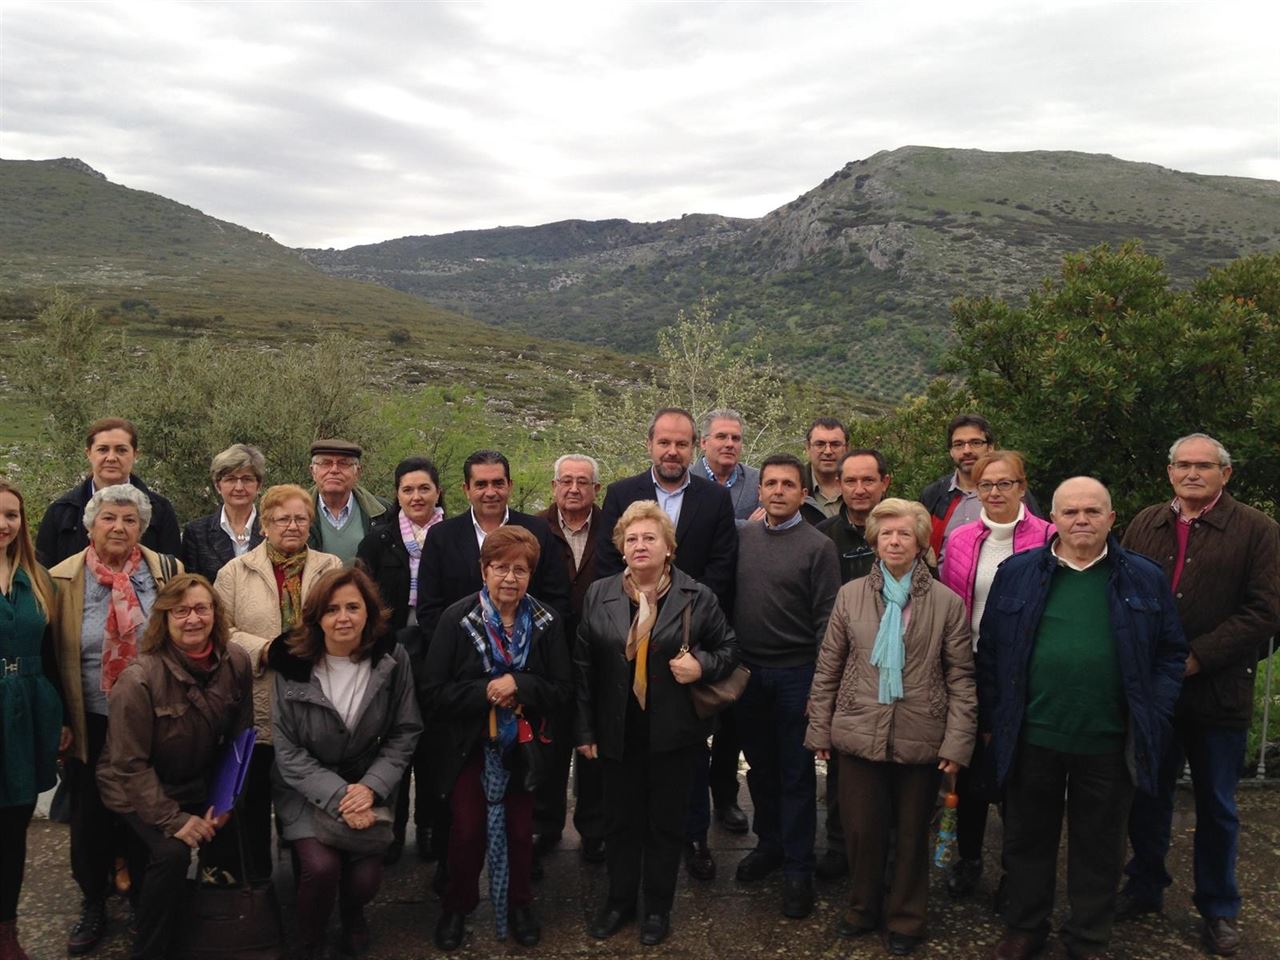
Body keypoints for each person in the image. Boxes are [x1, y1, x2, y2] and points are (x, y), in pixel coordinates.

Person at [978, 477, 1186, 960]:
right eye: (1070, 512)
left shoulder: (1143, 577)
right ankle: (1026, 927)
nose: (1081, 520)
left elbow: (1171, 653)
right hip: (1033, 733)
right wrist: (994, 717)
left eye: (1093, 511)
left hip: (1108, 737)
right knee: (1026, 839)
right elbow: (991, 652)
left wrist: (1154, 711)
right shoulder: (1018, 572)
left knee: (1100, 846)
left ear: (1111, 518)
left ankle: (1088, 937)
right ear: (1053, 519)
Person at [1118, 434, 1280, 957]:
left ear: (1224, 474)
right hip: (1154, 691)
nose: (1192, 473)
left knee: (1217, 804)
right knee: (1148, 794)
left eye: (1204, 466)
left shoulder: (1257, 529)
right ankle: (1145, 885)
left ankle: (1218, 907)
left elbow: (1266, 610)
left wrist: (1197, 656)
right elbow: (1122, 589)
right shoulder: (1146, 523)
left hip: (1218, 690)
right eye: (1183, 465)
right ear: (1169, 472)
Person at [805, 498, 976, 957]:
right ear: (875, 542)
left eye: (904, 534)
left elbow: (961, 677)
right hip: (859, 731)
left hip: (922, 733)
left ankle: (906, 918)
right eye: (886, 534)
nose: (894, 541)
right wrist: (819, 728)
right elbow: (829, 666)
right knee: (861, 832)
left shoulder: (946, 602)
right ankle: (862, 908)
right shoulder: (851, 595)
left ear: (920, 544)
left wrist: (958, 742)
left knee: (911, 834)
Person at [576, 501, 740, 947]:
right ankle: (619, 902)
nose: (640, 545)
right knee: (620, 823)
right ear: (621, 548)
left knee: (665, 825)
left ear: (669, 547)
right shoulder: (600, 593)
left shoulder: (696, 595)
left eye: (650, 537)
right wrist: (585, 731)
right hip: (617, 731)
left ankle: (657, 907)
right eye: (631, 539)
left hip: (674, 733)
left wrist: (701, 666)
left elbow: (729, 649)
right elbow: (584, 666)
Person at [595, 408, 741, 878]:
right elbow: (608, 563)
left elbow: (721, 566)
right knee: (632, 747)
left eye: (681, 443)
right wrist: (636, 615)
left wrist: (682, 615)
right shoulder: (622, 493)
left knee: (689, 748)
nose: (672, 451)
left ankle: (694, 836)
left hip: (686, 641)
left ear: (694, 447)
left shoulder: (714, 499)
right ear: (650, 444)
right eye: (664, 442)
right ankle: (629, 840)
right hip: (629, 637)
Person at [48, 484, 182, 955]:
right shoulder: (61, 579)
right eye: (109, 518)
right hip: (91, 714)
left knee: (146, 808)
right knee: (89, 815)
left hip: (152, 716)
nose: (119, 527)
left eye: (130, 520)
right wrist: (61, 718)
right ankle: (94, 899)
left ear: (142, 527)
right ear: (91, 525)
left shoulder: (167, 571)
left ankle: (146, 897)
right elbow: (49, 654)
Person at [422, 526, 571, 951]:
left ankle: (520, 904)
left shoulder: (546, 621)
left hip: (521, 747)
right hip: (468, 746)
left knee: (521, 833)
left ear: (531, 575)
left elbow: (562, 689)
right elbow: (433, 692)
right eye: (500, 567)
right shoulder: (457, 620)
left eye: (520, 570)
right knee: (467, 831)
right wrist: (486, 691)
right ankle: (457, 906)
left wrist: (520, 685)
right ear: (484, 570)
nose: (510, 577)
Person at [96, 574, 253, 960]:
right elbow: (128, 764)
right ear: (164, 619)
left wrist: (225, 802)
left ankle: (219, 930)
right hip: (135, 788)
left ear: (215, 613)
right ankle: (150, 946)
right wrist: (174, 820)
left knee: (233, 831)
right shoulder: (139, 679)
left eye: (201, 608)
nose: (193, 619)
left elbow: (239, 738)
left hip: (193, 780)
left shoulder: (236, 661)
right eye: (180, 611)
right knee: (172, 853)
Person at [269, 567, 422, 959]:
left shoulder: (391, 658)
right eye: (332, 609)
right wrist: (340, 795)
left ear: (368, 611)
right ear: (316, 616)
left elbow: (405, 730)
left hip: (367, 781)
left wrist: (370, 788)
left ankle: (353, 915)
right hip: (307, 787)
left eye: (353, 607)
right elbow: (288, 751)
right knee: (321, 868)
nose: (343, 618)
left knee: (366, 878)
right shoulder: (292, 663)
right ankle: (309, 940)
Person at [937, 450, 1052, 900]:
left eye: (1005, 483)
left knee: (1019, 775)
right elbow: (951, 602)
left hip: (1024, 672)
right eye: (986, 484)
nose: (995, 492)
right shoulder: (961, 538)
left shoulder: (1049, 537)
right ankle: (968, 859)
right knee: (967, 769)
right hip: (969, 666)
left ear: (1022, 487)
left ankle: (1016, 870)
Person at [214, 483, 342, 882]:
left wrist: (311, 647)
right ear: (265, 525)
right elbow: (219, 631)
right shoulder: (236, 572)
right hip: (258, 700)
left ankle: (311, 880)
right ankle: (257, 885)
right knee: (254, 797)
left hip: (315, 697)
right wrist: (266, 649)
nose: (292, 525)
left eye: (300, 518)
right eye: (282, 518)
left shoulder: (330, 567)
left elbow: (344, 619)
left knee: (309, 798)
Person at [731, 454, 840, 919]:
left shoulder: (818, 547)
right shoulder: (742, 537)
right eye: (771, 483)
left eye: (788, 484)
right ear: (760, 491)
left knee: (796, 774)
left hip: (797, 674)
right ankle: (769, 844)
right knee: (760, 768)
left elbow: (827, 619)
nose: (778, 491)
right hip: (749, 673)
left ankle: (798, 866)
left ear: (803, 493)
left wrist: (820, 686)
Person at [355, 456, 446, 863]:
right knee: (391, 738)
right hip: (389, 650)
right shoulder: (378, 539)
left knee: (432, 742)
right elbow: (364, 598)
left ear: (438, 491)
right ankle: (390, 827)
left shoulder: (454, 536)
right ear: (397, 494)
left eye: (424, 488)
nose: (416, 496)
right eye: (407, 489)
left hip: (440, 649)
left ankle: (429, 826)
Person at [812, 447, 892, 881]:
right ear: (839, 485)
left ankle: (888, 850)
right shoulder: (823, 537)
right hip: (842, 666)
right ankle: (840, 845)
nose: (860, 489)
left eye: (868, 480)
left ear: (885, 482)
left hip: (896, 666)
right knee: (842, 764)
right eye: (851, 481)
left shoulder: (902, 526)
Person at [0, 479, 66, 960]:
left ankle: (7, 930)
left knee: (15, 822)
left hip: (28, 711)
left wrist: (63, 717)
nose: (3, 524)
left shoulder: (38, 578)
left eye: (11, 515)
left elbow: (52, 652)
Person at [415, 450, 570, 643]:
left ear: (510, 486)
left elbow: (557, 599)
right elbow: (429, 607)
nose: (490, 492)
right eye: (481, 485)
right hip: (459, 653)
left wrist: (527, 646)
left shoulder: (538, 531)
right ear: (466, 489)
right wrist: (461, 648)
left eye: (498, 483)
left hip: (528, 650)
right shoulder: (441, 536)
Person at [536, 454, 606, 863]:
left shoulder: (612, 529)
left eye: (583, 482)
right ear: (554, 486)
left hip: (601, 653)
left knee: (594, 742)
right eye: (566, 481)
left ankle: (594, 828)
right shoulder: (534, 527)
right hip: (550, 653)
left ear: (597, 489)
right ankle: (545, 825)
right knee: (550, 743)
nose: (574, 488)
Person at [36, 417, 181, 567]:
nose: (111, 458)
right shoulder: (61, 512)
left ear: (135, 455)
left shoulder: (160, 510)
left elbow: (173, 573)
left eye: (121, 450)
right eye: (103, 449)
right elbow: (43, 574)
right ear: (89, 453)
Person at [918, 414, 1041, 561]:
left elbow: (1038, 541)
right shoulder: (934, 495)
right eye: (958, 444)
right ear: (951, 451)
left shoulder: (1012, 493)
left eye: (975, 443)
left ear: (990, 448)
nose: (967, 450)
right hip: (946, 576)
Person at [179, 443, 266, 583]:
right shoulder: (196, 533)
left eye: (247, 479)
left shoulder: (273, 528)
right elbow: (190, 586)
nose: (239, 487)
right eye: (230, 479)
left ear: (259, 485)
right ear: (218, 486)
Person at [306, 439, 390, 566]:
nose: (334, 470)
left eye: (343, 463)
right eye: (326, 463)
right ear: (313, 471)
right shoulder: (294, 512)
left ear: (358, 472)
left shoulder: (383, 512)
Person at [698, 408, 762, 521]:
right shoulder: (685, 481)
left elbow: (765, 525)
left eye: (736, 438)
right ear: (703, 443)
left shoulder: (758, 481)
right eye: (721, 437)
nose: (730, 444)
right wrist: (747, 525)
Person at [798, 417, 848, 524]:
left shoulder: (863, 489)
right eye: (820, 444)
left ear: (847, 448)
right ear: (808, 448)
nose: (828, 451)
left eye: (835, 444)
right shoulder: (792, 487)